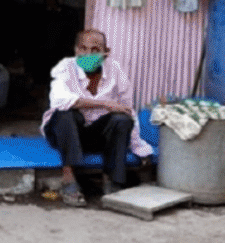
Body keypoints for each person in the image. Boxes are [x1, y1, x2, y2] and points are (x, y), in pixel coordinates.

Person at [41, 29, 153, 206]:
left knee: (122, 119)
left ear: (105, 52)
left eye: (95, 49)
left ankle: (112, 180)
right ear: (76, 50)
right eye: (83, 48)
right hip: (64, 132)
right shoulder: (65, 67)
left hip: (96, 135)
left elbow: (127, 109)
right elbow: (60, 100)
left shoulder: (115, 71)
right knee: (66, 113)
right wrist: (105, 104)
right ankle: (69, 179)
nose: (88, 54)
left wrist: (138, 146)